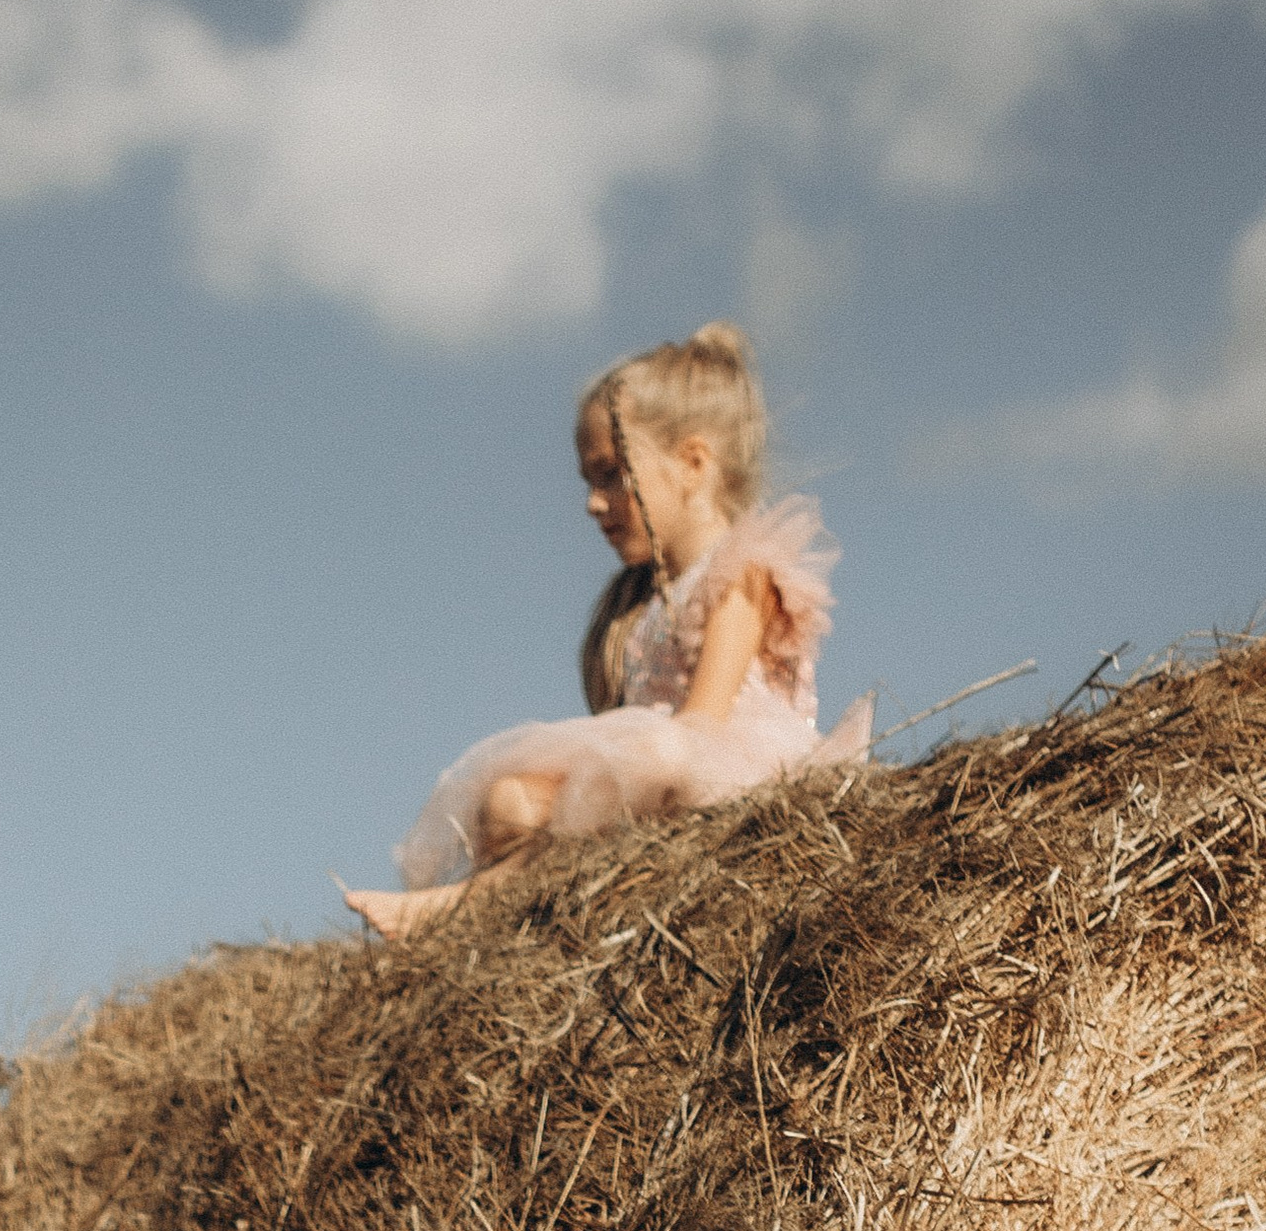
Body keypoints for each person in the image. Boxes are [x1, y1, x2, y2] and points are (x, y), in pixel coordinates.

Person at [341, 321, 870, 939]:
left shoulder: (743, 574)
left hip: (729, 783)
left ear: (693, 464)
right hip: (660, 783)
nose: (594, 502)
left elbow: (700, 725)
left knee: (609, 779)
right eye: (589, 481)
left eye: (611, 474)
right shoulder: (637, 606)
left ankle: (455, 909)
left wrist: (623, 767)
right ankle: (505, 929)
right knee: (507, 802)